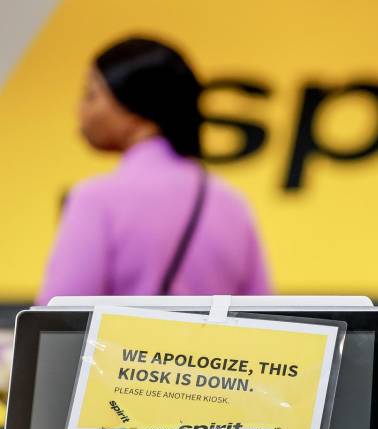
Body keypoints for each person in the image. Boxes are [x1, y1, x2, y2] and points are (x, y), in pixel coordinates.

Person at [37, 37, 272, 304]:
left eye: (91, 94)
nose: (80, 110)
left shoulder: (94, 199)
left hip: (119, 347)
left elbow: (56, 325)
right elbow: (261, 316)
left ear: (135, 108)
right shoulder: (233, 205)